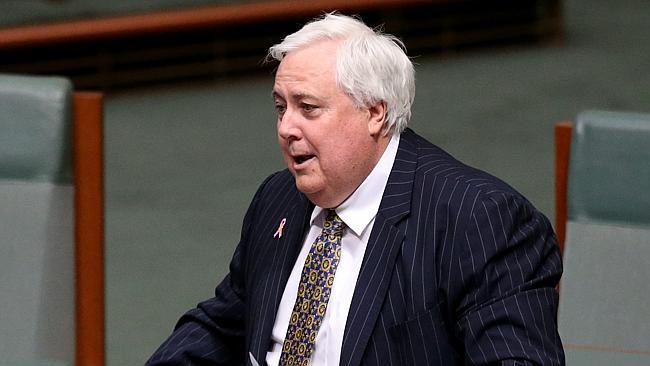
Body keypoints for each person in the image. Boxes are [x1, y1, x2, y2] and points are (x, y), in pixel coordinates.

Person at [147, 13, 564, 366]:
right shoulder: (278, 197)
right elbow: (224, 325)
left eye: (307, 108)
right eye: (280, 107)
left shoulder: (479, 220)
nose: (286, 128)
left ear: (375, 113)